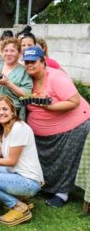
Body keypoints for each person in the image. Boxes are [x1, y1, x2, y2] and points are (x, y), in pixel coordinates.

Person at [22, 46, 90, 208]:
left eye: (33, 62)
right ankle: (44, 186)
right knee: (43, 161)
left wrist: (49, 107)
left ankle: (62, 193)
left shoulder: (56, 77)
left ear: (43, 62)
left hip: (72, 127)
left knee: (65, 161)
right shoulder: (26, 79)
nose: (29, 65)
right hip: (41, 133)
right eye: (27, 62)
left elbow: (74, 102)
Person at [0, 95, 44, 226]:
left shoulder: (19, 128)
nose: (1, 112)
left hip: (29, 181)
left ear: (13, 111)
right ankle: (21, 198)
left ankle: (19, 206)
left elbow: (11, 161)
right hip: (17, 173)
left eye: (5, 109)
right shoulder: (5, 129)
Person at [0, 38, 32, 151]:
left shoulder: (23, 71)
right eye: (6, 50)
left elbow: (26, 94)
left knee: (9, 150)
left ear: (19, 54)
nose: (8, 53)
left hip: (13, 117)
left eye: (12, 51)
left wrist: (9, 84)